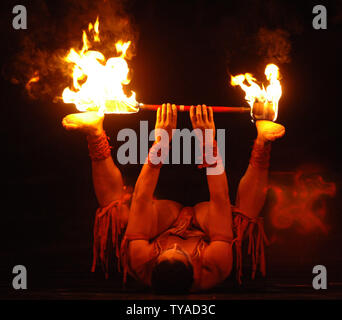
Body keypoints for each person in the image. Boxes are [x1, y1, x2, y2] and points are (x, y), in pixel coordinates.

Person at [62, 103, 285, 293]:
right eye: (181, 253)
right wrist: (208, 141)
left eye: (167, 252)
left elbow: (141, 198)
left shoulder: (140, 261)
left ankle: (94, 132)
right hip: (205, 225)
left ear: (154, 263)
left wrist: (161, 143)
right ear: (194, 267)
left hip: (161, 221)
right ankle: (263, 142)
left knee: (117, 212)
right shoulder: (215, 266)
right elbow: (220, 198)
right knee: (244, 218)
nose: (176, 246)